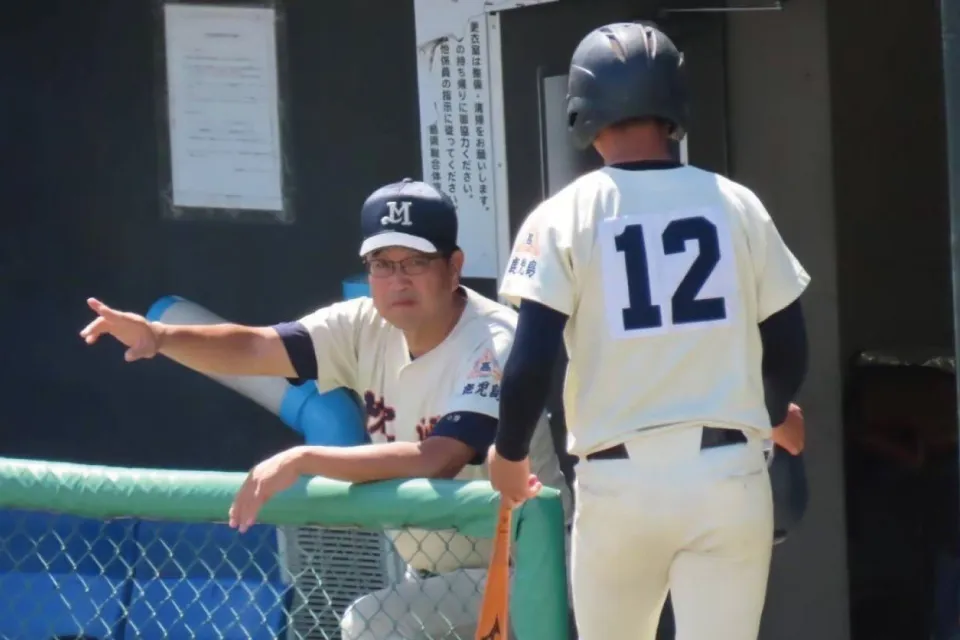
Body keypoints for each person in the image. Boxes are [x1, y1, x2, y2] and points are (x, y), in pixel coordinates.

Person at [79, 178, 572, 640]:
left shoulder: (493, 340)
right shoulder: (361, 325)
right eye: (382, 263)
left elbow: (439, 457)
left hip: (528, 565)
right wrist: (161, 336)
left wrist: (304, 458)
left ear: (454, 265)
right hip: (430, 566)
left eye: (415, 262)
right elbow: (256, 348)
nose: (397, 280)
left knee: (370, 622)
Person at [486, 22, 809, 640]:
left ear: (582, 112)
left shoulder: (564, 213)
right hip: (727, 474)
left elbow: (529, 365)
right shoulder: (735, 202)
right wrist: (767, 411)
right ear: (673, 109)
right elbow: (791, 346)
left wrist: (508, 454)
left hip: (618, 481)